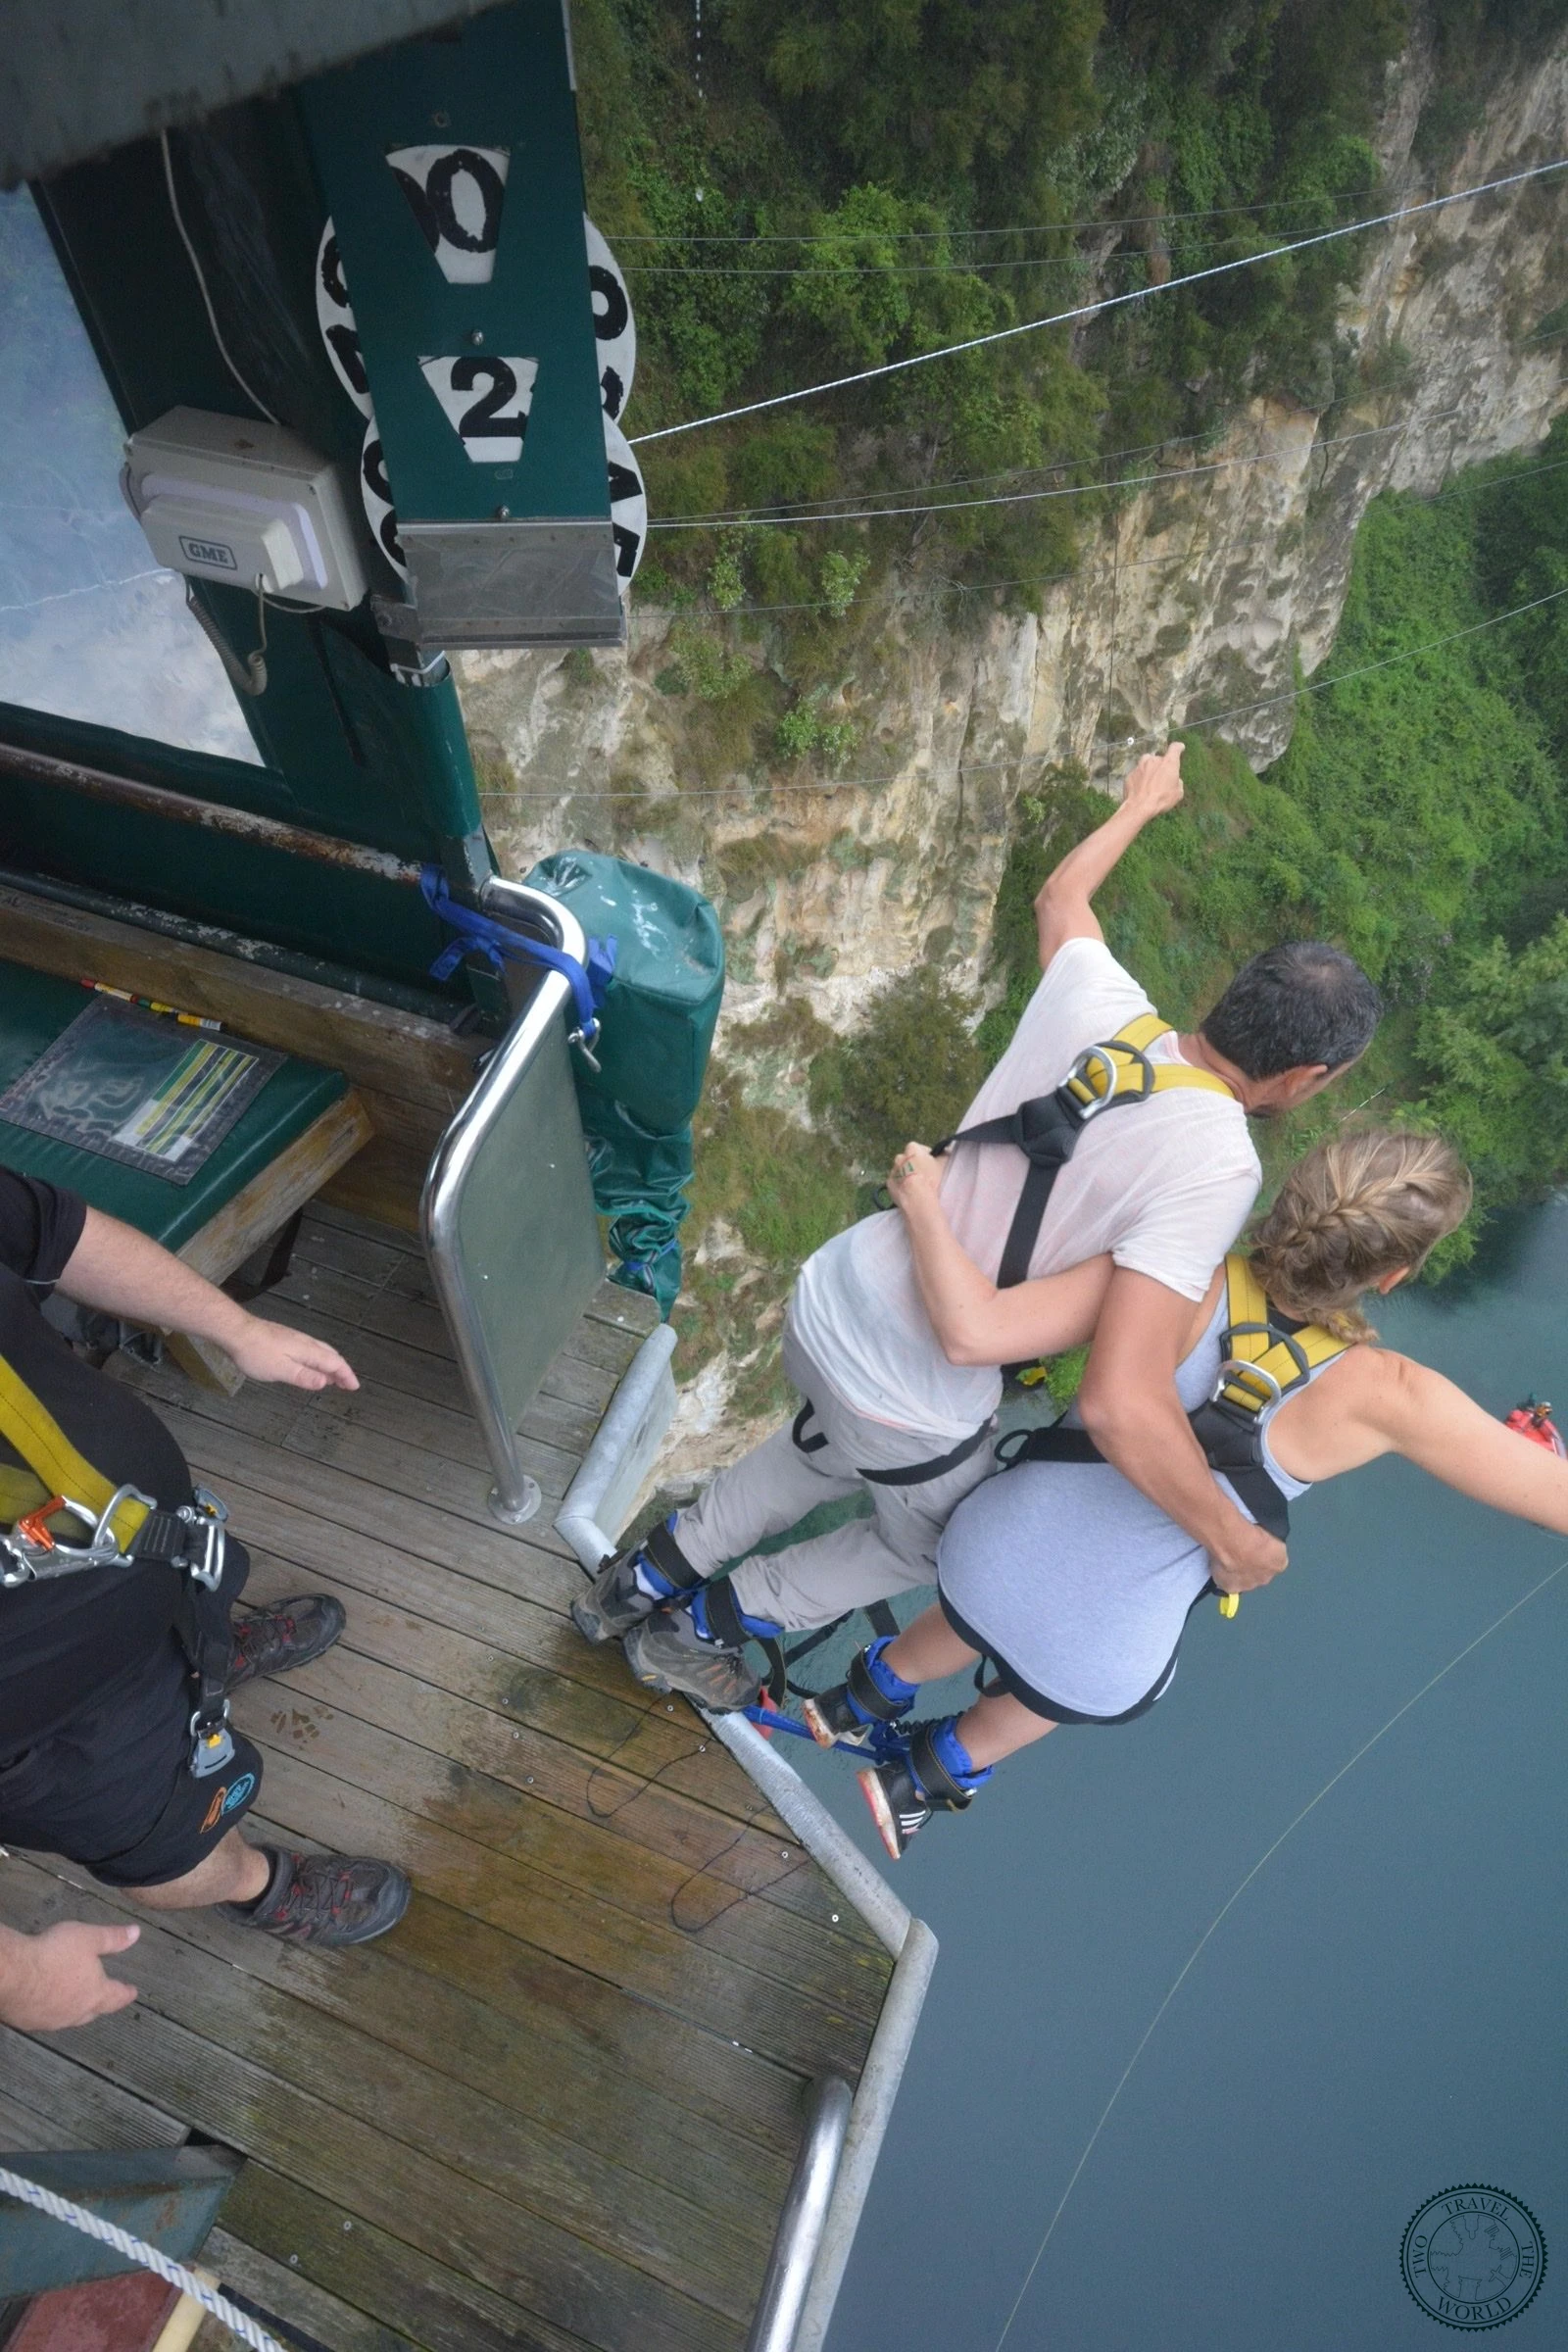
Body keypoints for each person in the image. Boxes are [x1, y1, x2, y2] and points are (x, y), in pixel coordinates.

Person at [573, 743, 1381, 1707]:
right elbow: (1110, 1396)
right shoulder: (1220, 1165)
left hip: (833, 1294)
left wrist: (1138, 806)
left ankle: (631, 1587)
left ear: (1237, 995)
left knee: (810, 1450)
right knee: (927, 1544)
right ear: (1303, 1080)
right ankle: (690, 1635)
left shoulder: (1105, 1004)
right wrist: (1225, 1536)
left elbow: (1059, 904)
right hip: (914, 1378)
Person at [803, 1127, 1549, 1859]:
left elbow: (984, 1326)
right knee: (1080, 1658)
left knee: (1003, 1587)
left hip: (984, 1554)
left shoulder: (1172, 1271)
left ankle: (861, 1696)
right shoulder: (1393, 1396)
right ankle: (928, 1776)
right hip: (1093, 1656)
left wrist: (924, 1200)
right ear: (1393, 1275)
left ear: (1295, 1199)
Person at [0, 1169, 411, 2035]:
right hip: (56, 1728)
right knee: (164, 1842)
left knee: (199, 1618)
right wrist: (18, 1981)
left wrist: (233, 1325)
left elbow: (57, 1231)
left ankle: (208, 1661)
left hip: (159, 1556)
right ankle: (258, 1884)